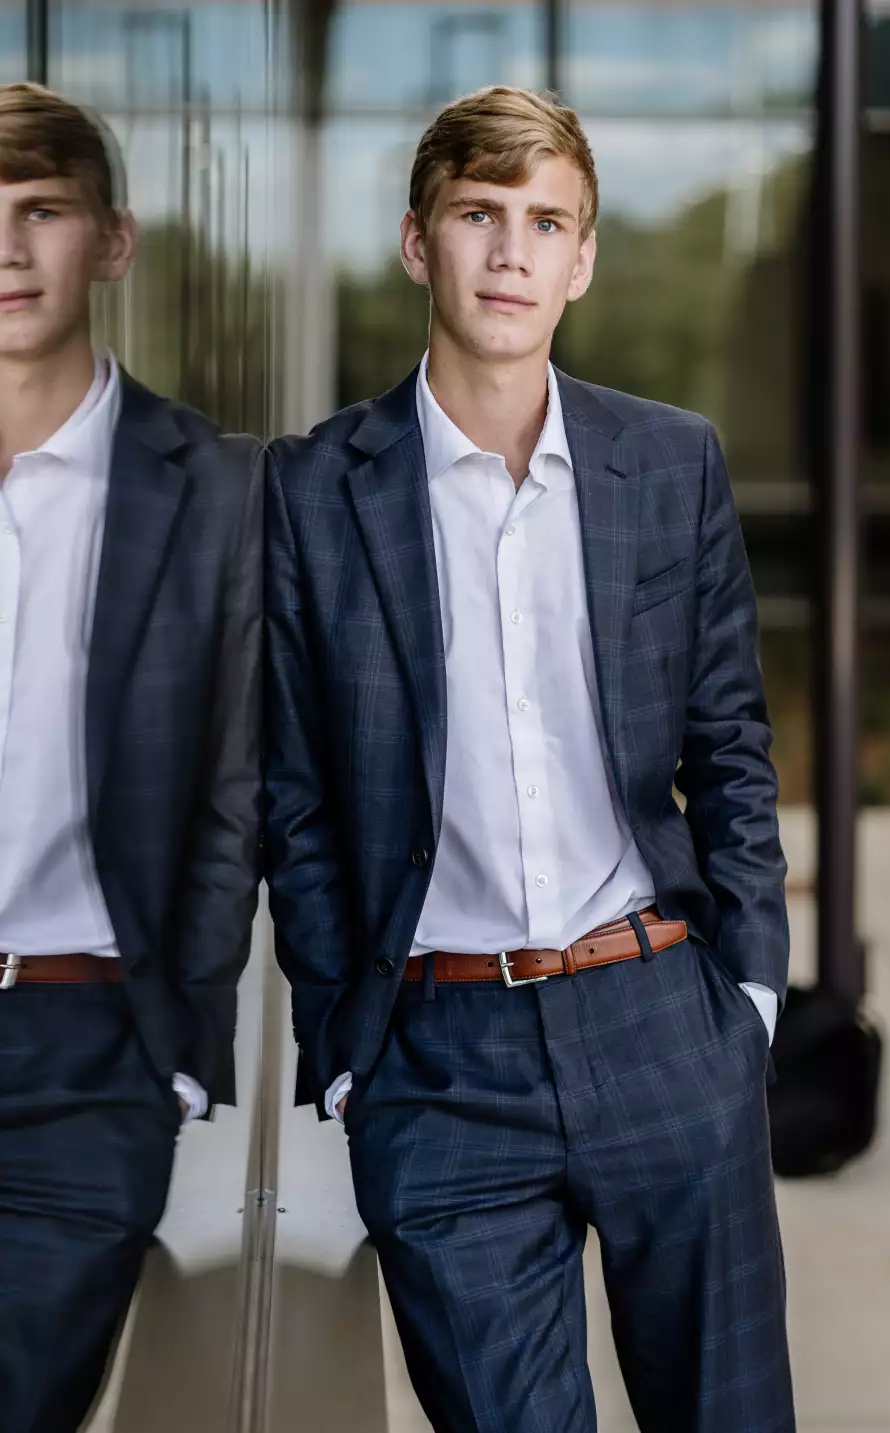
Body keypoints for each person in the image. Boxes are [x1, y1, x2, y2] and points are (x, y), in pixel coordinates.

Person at [266, 84, 793, 1433]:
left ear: (584, 258)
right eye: (478, 215)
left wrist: (749, 998)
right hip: (439, 1067)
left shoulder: (669, 466)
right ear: (416, 242)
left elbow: (728, 740)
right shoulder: (312, 493)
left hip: (661, 1011)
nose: (511, 251)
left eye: (545, 221)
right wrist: (346, 1048)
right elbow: (293, 792)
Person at [0, 83, 262, 1432]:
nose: (7, 251)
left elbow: (234, 792)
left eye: (40, 212)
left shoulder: (212, 487)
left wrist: (176, 1051)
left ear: (112, 240)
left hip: (85, 1052)